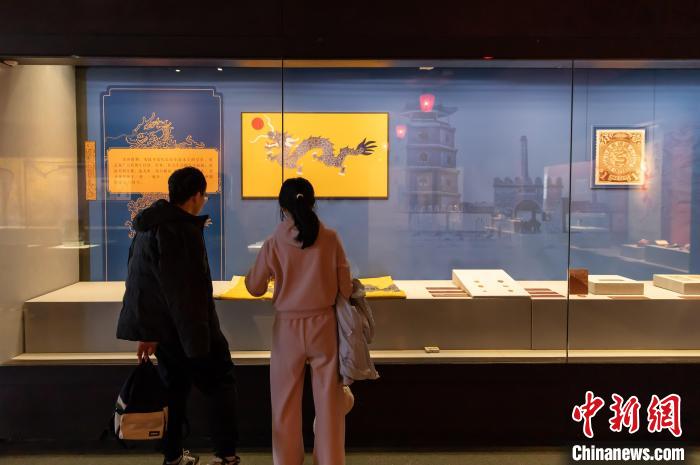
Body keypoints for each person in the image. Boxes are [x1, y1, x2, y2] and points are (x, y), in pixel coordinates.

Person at [117, 167, 240, 465]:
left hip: (164, 332)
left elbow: (141, 283)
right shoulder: (182, 230)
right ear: (196, 196)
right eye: (204, 195)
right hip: (191, 329)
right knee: (221, 384)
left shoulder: (148, 226)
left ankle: (172, 457)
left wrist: (148, 332)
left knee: (173, 391)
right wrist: (198, 341)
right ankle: (226, 455)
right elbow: (186, 292)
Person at [245, 177, 352, 465]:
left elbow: (254, 287)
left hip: (287, 328)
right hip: (323, 325)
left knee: (285, 402)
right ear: (313, 203)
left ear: (283, 207)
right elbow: (345, 288)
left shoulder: (273, 243)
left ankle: (287, 460)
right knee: (329, 402)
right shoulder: (331, 238)